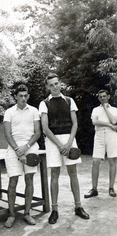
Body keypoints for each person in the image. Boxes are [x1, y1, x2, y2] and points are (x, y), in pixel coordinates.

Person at [39, 73, 89, 224]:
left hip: (69, 139)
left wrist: (68, 143)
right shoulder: (44, 103)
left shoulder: (69, 101)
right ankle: (54, 210)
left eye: (56, 84)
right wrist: (60, 145)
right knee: (54, 174)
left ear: (61, 84)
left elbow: (75, 124)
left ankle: (78, 207)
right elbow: (45, 128)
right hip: (53, 141)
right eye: (51, 85)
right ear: (47, 87)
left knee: (73, 173)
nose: (54, 87)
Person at [3, 84, 41, 228]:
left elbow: (37, 133)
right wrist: (18, 150)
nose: (23, 98)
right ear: (16, 97)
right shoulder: (9, 112)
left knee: (29, 180)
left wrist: (26, 147)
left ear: (28, 96)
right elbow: (7, 134)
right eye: (20, 96)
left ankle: (27, 213)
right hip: (13, 150)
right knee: (13, 182)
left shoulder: (34, 110)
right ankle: (12, 215)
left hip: (30, 148)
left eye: (25, 96)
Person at [84, 89, 117, 198]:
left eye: (104, 96)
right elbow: (95, 122)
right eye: (100, 97)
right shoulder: (95, 110)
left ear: (108, 96)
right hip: (99, 135)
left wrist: (106, 108)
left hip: (111, 135)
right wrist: (110, 125)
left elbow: (114, 121)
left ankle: (111, 187)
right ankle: (94, 189)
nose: (102, 98)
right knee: (96, 161)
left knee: (112, 160)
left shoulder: (114, 110)